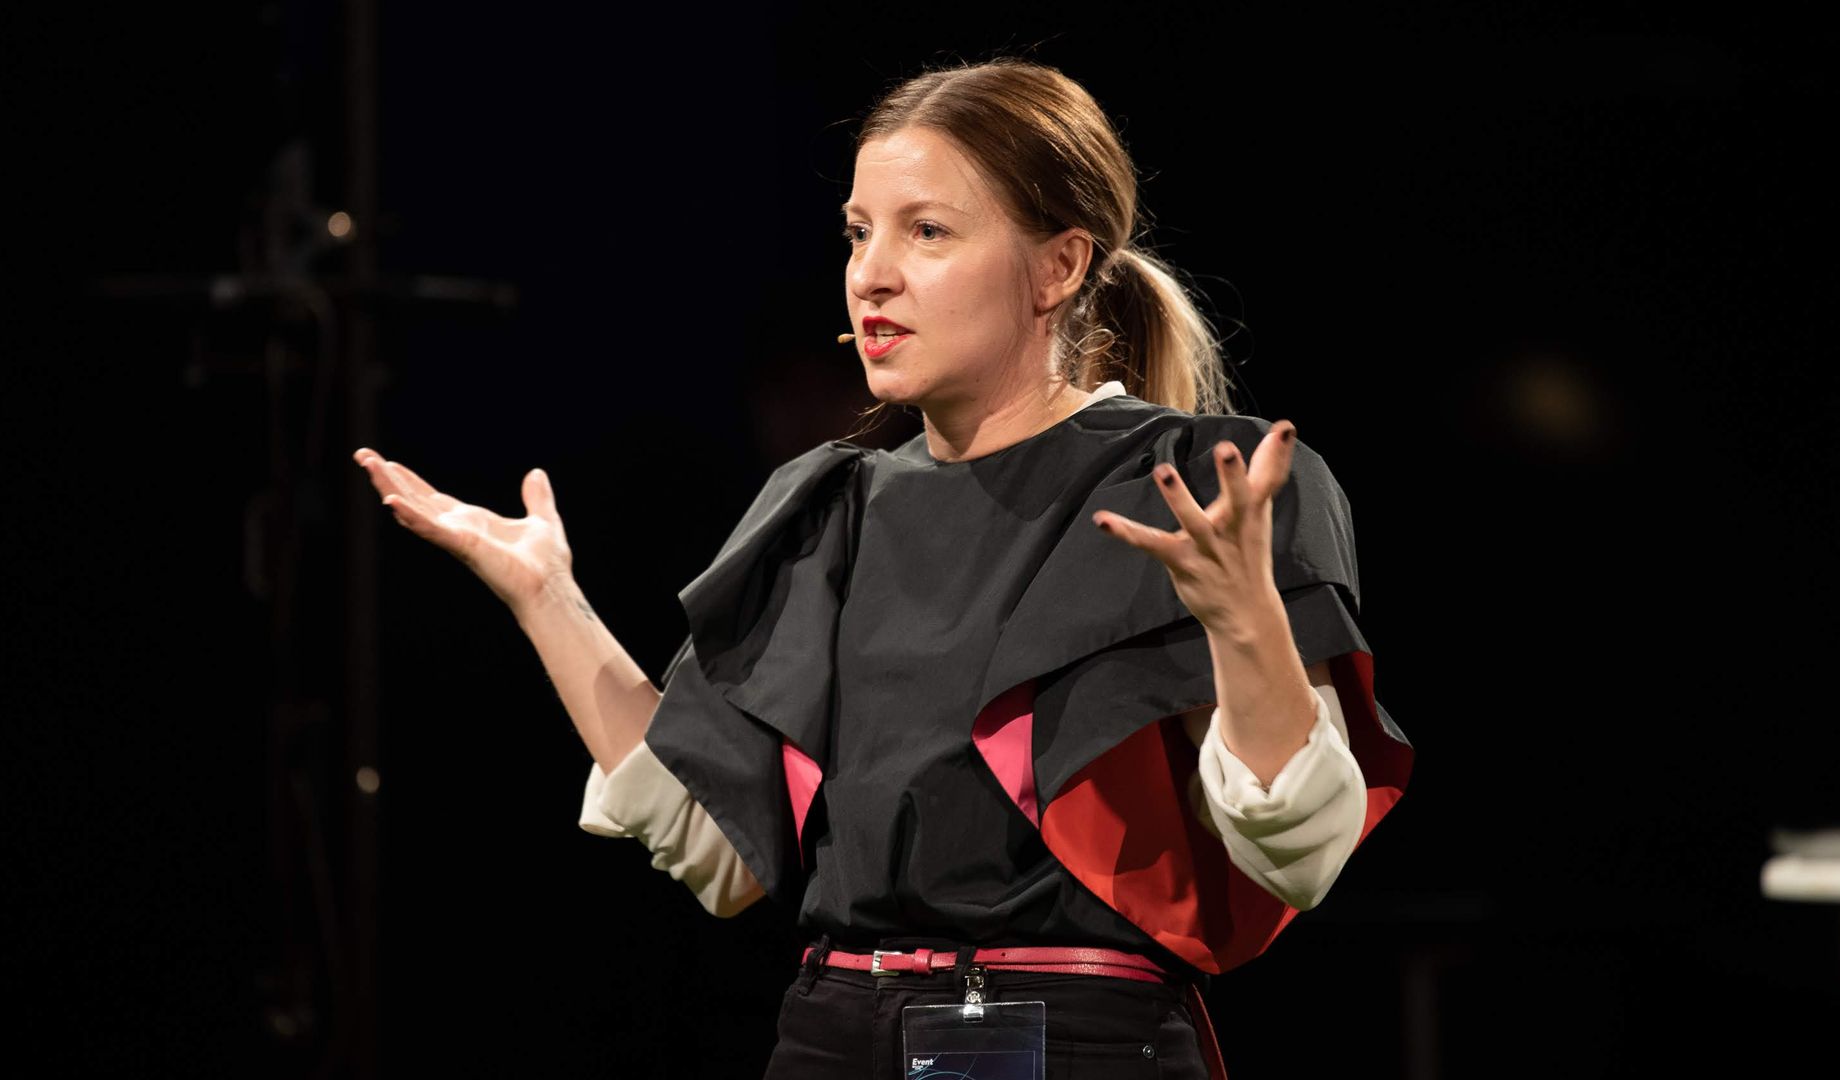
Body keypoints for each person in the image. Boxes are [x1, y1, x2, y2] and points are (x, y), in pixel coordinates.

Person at [353, 57, 1412, 1080]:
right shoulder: (830, 509)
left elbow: (1300, 853)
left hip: (1074, 1040)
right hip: (831, 1037)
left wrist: (1245, 626)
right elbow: (716, 853)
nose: (872, 274)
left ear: (1059, 266)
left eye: (928, 231)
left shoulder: (1193, 485)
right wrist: (547, 597)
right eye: (859, 233)